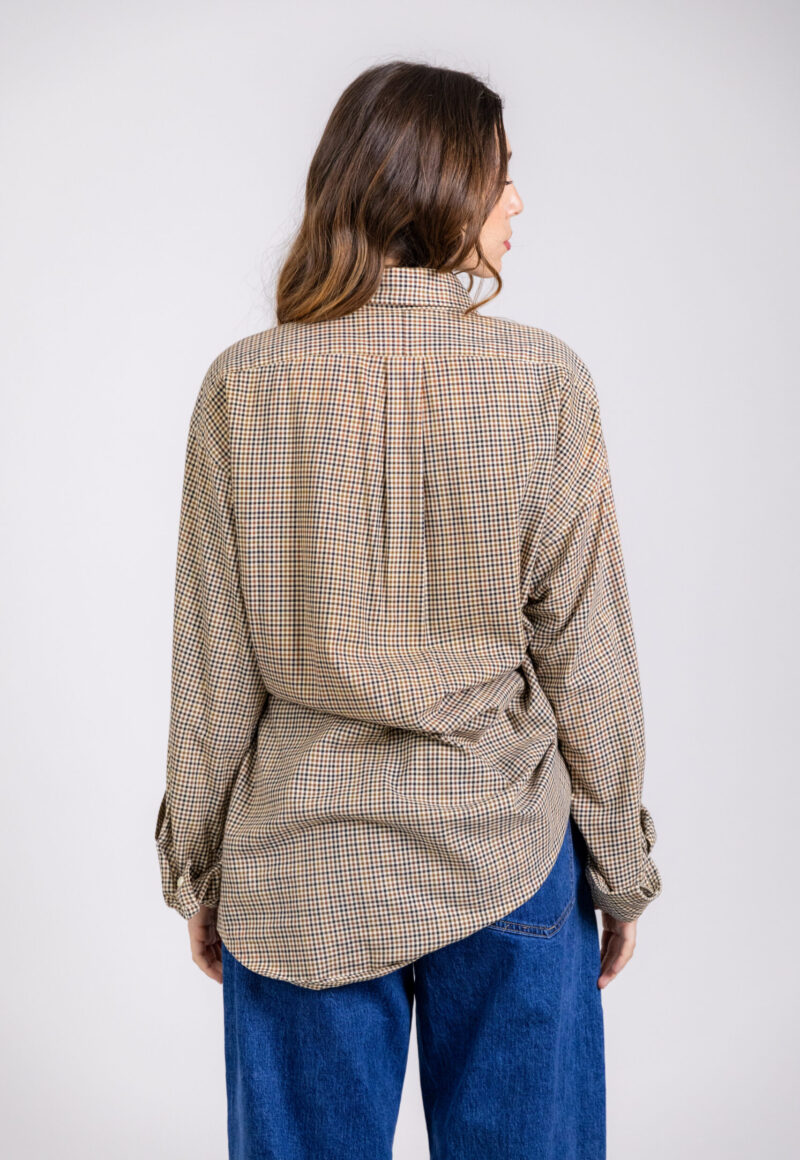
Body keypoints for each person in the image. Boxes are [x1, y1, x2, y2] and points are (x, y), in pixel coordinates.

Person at [154, 59, 663, 1159]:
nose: (516, 200)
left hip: (301, 864)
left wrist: (198, 869)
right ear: (440, 186)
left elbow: (213, 668)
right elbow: (588, 654)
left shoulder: (246, 385)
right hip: (505, 850)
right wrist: (619, 868)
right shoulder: (543, 381)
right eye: (500, 174)